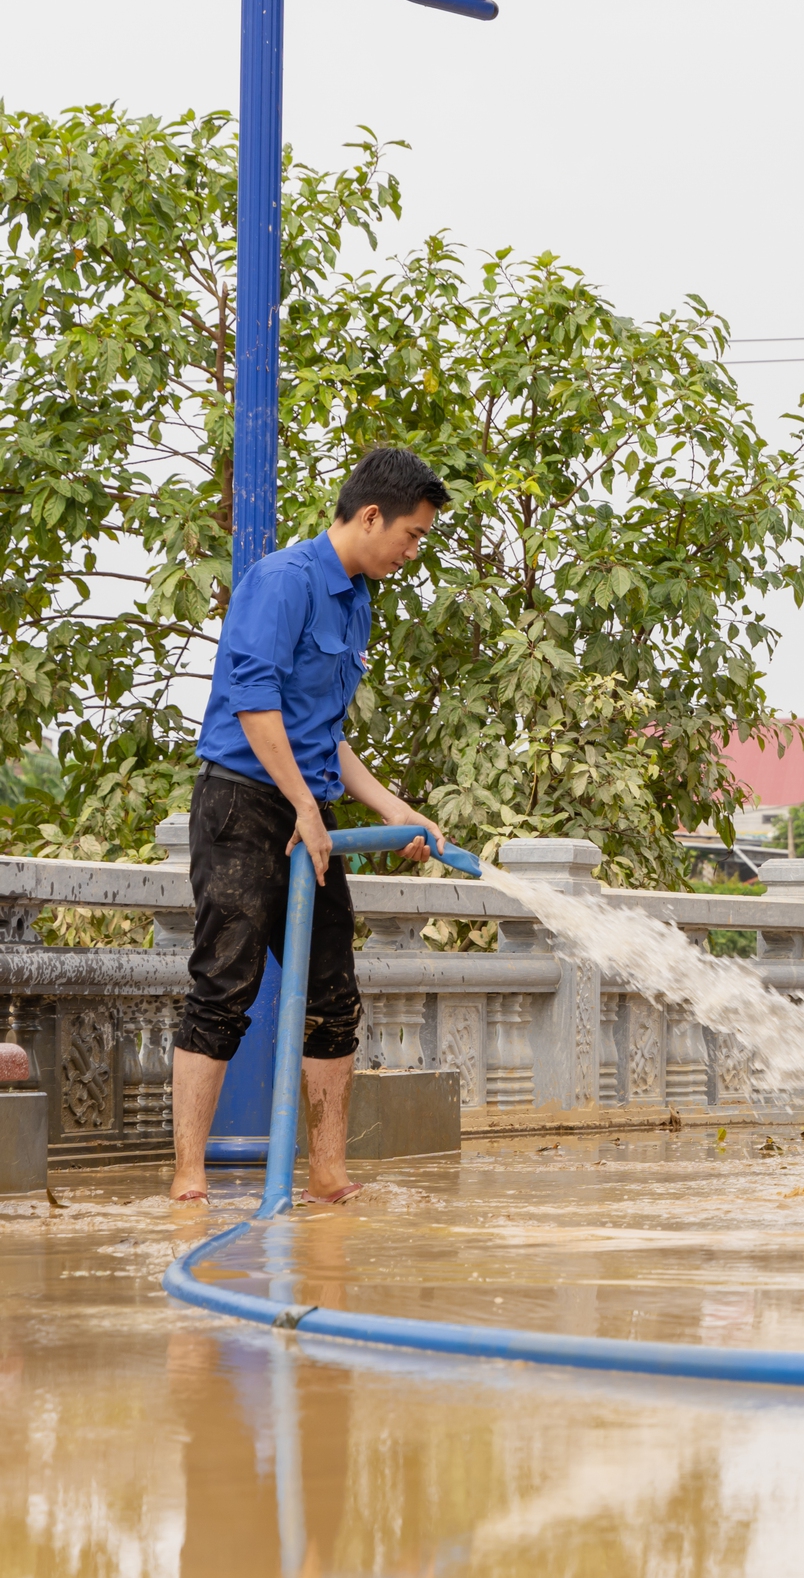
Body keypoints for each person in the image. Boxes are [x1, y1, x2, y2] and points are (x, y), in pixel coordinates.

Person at [170, 448, 451, 1204]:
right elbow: (253, 705)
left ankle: (327, 1172)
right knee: (224, 988)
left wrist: (394, 811)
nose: (413, 550)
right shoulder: (284, 582)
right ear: (370, 516)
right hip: (242, 803)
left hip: (306, 813)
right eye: (413, 534)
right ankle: (188, 1177)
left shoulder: (358, 597)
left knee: (334, 997)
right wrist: (300, 803)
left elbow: (323, 732)